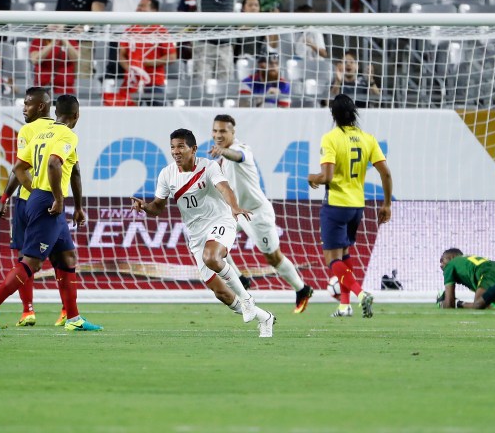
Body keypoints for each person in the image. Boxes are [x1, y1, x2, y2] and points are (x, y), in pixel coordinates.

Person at [131, 128, 276, 337]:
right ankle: (265, 318)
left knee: (212, 257)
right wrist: (144, 207)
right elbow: (158, 207)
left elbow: (225, 188)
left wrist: (234, 207)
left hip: (221, 221)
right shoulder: (167, 174)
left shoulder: (208, 167)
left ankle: (247, 300)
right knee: (222, 293)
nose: (176, 151)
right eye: (173, 147)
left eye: (181, 146)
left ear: (194, 149)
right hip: (196, 235)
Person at [0, 95, 104, 332]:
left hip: (40, 197)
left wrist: (75, 205)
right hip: (49, 200)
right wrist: (55, 197)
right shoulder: (68, 134)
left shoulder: (40, 135)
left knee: (67, 257)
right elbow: (55, 164)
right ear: (76, 116)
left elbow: (19, 168)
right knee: (32, 263)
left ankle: (73, 318)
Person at [211, 114, 315, 312]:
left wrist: (222, 151)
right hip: (238, 213)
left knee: (273, 258)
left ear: (233, 132)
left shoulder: (241, 150)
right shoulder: (221, 159)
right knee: (214, 244)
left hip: (257, 214)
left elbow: (237, 156)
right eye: (215, 130)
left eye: (223, 131)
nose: (218, 134)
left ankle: (302, 289)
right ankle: (240, 279)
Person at [307, 94, 392, 318]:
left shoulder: (331, 138)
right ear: (354, 113)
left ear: (333, 115)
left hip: (335, 204)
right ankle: (344, 306)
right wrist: (387, 205)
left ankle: (361, 294)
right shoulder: (368, 139)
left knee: (332, 259)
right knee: (344, 254)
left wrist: (312, 178)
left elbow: (327, 176)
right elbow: (386, 173)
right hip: (357, 206)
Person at [0, 87, 72, 327]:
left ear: (41, 106)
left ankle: (28, 311)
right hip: (51, 198)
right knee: (64, 257)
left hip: (29, 201)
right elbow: (71, 168)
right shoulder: (61, 130)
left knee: (26, 256)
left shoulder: (29, 130)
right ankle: (67, 312)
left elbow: (19, 168)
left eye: (27, 104)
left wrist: (5, 196)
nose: (23, 108)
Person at [117, 0, 178, 106]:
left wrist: (148, 62)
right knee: (131, 117)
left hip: (155, 83)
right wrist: (132, 69)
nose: (139, 9)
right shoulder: (129, 30)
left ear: (154, 11)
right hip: (132, 82)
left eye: (143, 6)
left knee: (158, 116)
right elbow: (121, 55)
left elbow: (172, 57)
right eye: (138, 6)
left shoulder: (160, 31)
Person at [29, 24, 80, 95]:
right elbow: (35, 60)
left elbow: (76, 58)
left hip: (66, 89)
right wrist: (52, 43)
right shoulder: (38, 40)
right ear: (46, 25)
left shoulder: (70, 40)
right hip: (42, 88)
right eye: (52, 22)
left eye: (59, 22)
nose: (55, 24)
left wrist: (64, 40)